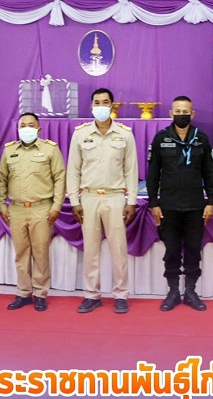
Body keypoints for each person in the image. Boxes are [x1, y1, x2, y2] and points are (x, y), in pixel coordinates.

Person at [67, 88, 138, 314]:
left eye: (105, 102)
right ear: (91, 106)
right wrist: (74, 201)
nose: (100, 106)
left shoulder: (125, 134)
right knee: (91, 251)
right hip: (88, 198)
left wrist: (131, 201)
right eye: (96, 102)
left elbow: (131, 169)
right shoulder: (81, 134)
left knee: (119, 249)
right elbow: (73, 170)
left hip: (115, 197)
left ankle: (121, 294)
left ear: (112, 105)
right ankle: (91, 295)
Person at [147, 96, 213, 312]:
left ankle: (191, 292)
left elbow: (209, 173)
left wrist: (211, 201)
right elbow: (152, 174)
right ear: (171, 113)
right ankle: (173, 292)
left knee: (193, 250)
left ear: (192, 114)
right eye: (177, 111)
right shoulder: (161, 139)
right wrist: (153, 203)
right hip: (168, 206)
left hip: (195, 206)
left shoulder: (201, 138)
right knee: (172, 251)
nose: (182, 115)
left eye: (186, 112)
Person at [0, 113, 66, 312]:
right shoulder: (9, 150)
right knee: (21, 254)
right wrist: (1, 205)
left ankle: (40, 293)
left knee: (40, 252)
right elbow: (1, 179)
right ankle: (23, 292)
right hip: (16, 209)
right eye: (23, 125)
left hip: (42, 209)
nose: (26, 128)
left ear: (38, 129)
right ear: (18, 129)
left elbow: (60, 178)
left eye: (31, 125)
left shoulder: (50, 149)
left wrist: (56, 206)